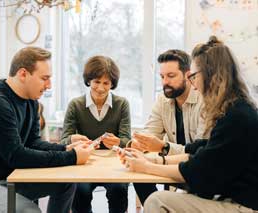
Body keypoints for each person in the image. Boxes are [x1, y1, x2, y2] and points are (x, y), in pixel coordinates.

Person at [119, 36, 258, 212]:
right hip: (230, 194)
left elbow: (199, 169)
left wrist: (149, 165)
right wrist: (148, 157)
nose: (193, 84)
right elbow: (200, 151)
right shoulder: (236, 108)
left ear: (210, 75)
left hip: (243, 204)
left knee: (157, 201)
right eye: (162, 76)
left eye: (193, 76)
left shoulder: (236, 115)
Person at [0, 47, 92, 213]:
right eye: (45, 78)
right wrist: (72, 156)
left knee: (66, 183)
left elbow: (33, 142)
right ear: (23, 74)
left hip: (7, 177)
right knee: (28, 211)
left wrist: (66, 148)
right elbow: (16, 156)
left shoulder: (31, 102)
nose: (49, 85)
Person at [131, 49, 207, 205]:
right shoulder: (162, 100)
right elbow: (150, 132)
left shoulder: (203, 100)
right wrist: (137, 144)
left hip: (194, 169)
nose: (165, 82)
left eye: (171, 76)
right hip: (171, 164)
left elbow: (199, 152)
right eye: (162, 76)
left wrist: (163, 146)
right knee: (138, 176)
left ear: (188, 75)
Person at [61, 55, 131, 213]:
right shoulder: (75, 105)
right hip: (84, 164)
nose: (101, 88)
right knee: (80, 192)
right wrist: (72, 138)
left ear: (112, 84)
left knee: (119, 190)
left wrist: (118, 142)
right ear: (89, 81)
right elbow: (63, 141)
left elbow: (127, 141)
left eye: (106, 83)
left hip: (114, 166)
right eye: (96, 82)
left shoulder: (122, 104)